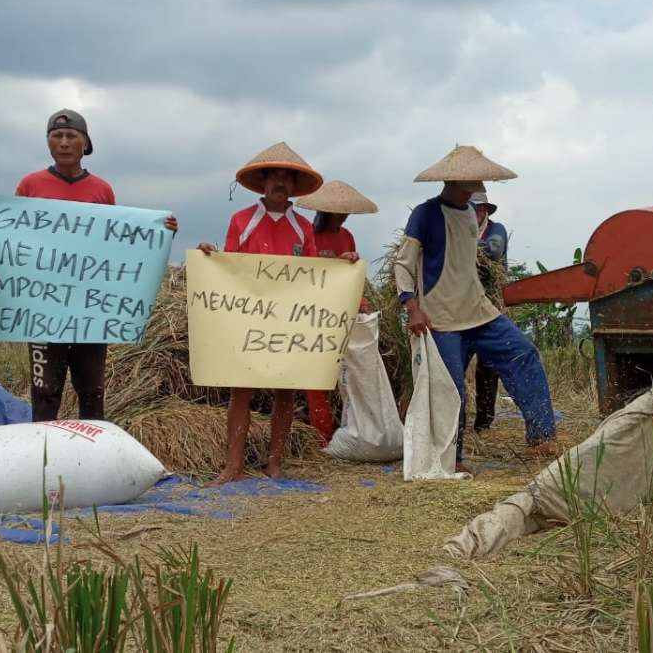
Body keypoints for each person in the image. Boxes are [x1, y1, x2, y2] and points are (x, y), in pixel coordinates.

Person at [0, 109, 178, 422]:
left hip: (90, 310)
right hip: (42, 310)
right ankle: (43, 463)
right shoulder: (30, 184)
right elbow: (9, 239)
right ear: (48, 142)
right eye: (56, 136)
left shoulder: (101, 190)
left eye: (71, 136)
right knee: (45, 391)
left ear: (85, 143)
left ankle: (89, 462)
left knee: (92, 391)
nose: (63, 142)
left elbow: (115, 244)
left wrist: (159, 232)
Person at [197, 142, 358, 484]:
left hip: (289, 324)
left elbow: (315, 275)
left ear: (293, 187)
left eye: (287, 178)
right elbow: (230, 269)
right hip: (250, 320)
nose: (280, 183)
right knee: (241, 391)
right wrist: (209, 257)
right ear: (264, 182)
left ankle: (275, 463)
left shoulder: (302, 227)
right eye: (274, 176)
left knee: (286, 391)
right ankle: (233, 465)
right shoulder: (241, 221)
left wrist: (341, 266)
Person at [393, 145, 560, 472]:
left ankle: (542, 437)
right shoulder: (425, 214)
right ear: (454, 180)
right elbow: (403, 263)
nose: (478, 183)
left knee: (523, 353)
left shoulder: (471, 213)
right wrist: (412, 307)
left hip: (479, 311)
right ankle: (451, 460)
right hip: (441, 317)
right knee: (451, 388)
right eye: (471, 178)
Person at [296, 180, 378, 446]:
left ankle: (354, 428)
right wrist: (335, 264)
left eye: (347, 211)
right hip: (312, 312)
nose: (344, 215)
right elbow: (303, 272)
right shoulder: (307, 234)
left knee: (349, 372)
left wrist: (359, 300)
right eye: (339, 210)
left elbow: (351, 275)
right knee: (317, 375)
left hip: (342, 312)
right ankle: (323, 434)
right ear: (325, 210)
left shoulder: (347, 236)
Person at [470, 191, 508, 432]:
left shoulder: (496, 230)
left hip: (490, 305)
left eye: (473, 209)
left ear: (484, 210)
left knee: (488, 367)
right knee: (455, 363)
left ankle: (483, 424)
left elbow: (493, 251)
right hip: (460, 306)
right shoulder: (459, 229)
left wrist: (460, 245)